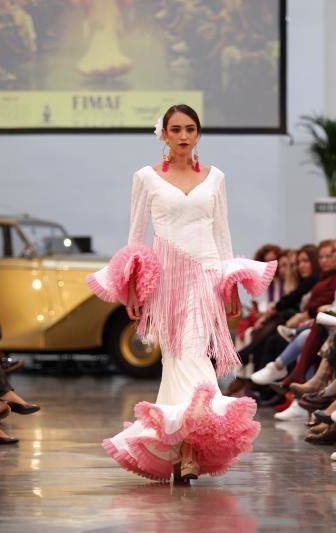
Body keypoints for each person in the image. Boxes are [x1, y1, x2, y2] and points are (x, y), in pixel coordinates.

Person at [87, 104, 276, 482]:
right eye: (176, 129)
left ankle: (184, 449)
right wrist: (132, 288)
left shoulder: (215, 177)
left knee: (193, 354)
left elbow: (222, 234)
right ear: (164, 134)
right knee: (175, 360)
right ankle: (182, 447)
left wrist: (230, 283)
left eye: (190, 129)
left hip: (206, 276)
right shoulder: (146, 178)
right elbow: (135, 236)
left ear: (198, 133)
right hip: (167, 280)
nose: (184, 136)